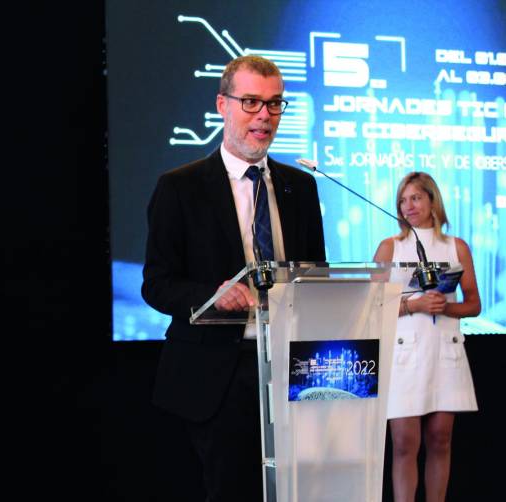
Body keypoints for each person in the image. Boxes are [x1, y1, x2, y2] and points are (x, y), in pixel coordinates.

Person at [142, 55, 326, 501]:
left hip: (291, 372)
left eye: (275, 104)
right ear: (222, 104)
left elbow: (316, 276)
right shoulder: (180, 187)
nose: (265, 115)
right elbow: (158, 283)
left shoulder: (301, 188)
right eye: (251, 102)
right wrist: (213, 294)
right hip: (217, 377)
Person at [372, 172, 481, 502]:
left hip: (444, 352)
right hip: (405, 353)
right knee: (405, 442)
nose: (408, 206)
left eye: (416, 198)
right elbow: (372, 306)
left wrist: (446, 309)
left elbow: (474, 304)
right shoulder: (390, 246)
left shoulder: (455, 247)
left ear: (433, 201)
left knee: (440, 439)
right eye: (403, 200)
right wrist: (413, 304)